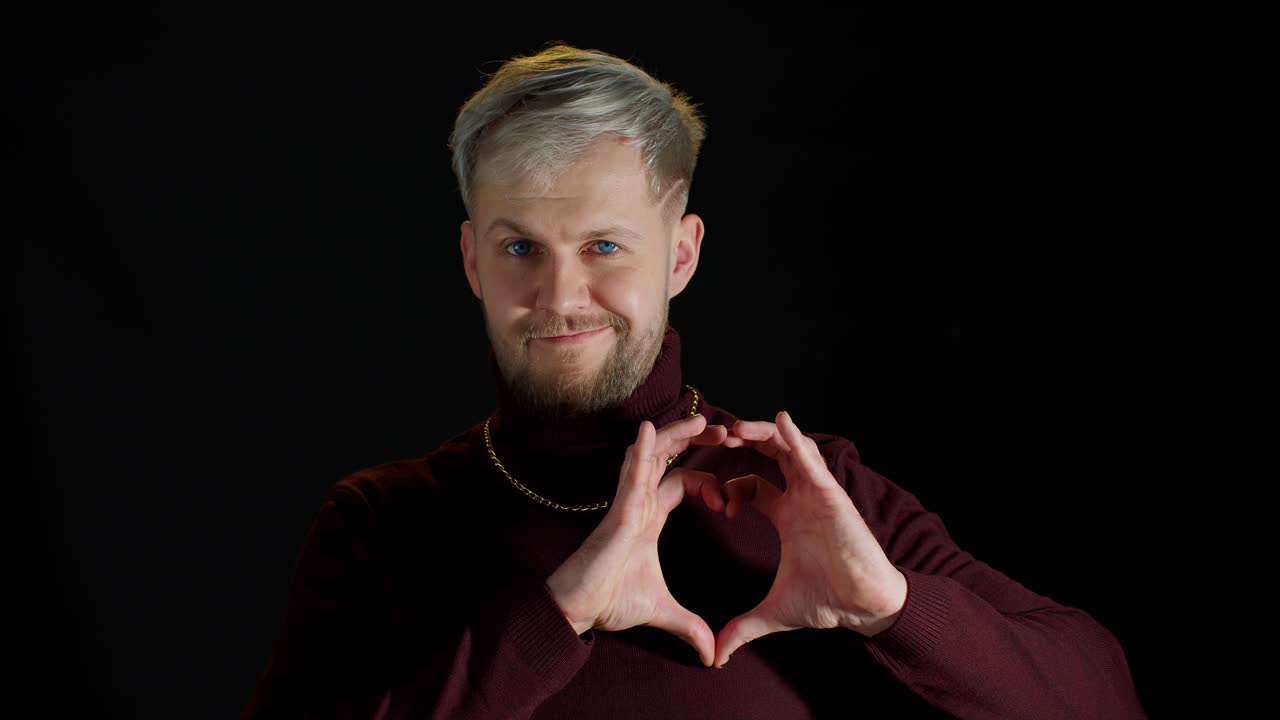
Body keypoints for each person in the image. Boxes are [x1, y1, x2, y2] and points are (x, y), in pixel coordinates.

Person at [242, 42, 1147, 719]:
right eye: (522, 248)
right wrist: (557, 615)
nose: (560, 296)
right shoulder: (379, 524)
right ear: (474, 260)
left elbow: (1105, 701)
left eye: (604, 246)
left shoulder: (813, 496)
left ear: (680, 255)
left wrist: (891, 609)